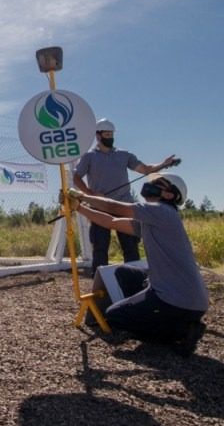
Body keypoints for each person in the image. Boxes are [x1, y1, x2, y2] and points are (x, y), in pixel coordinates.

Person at [68, 172, 208, 356]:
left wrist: (82, 196)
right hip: (181, 294)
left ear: (170, 195)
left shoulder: (162, 210)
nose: (151, 185)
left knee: (115, 317)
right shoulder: (153, 218)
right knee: (124, 272)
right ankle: (156, 315)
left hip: (180, 301)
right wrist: (79, 208)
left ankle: (180, 333)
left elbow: (115, 208)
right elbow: (111, 221)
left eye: (159, 183)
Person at [70, 118, 178, 273]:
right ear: (98, 136)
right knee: (100, 248)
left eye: (111, 134)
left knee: (130, 247)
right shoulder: (89, 157)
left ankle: (137, 278)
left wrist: (162, 164)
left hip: (125, 207)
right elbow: (76, 177)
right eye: (107, 134)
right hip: (99, 207)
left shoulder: (124, 155)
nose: (110, 137)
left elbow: (145, 169)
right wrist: (90, 193)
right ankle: (100, 284)